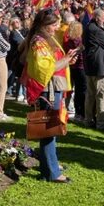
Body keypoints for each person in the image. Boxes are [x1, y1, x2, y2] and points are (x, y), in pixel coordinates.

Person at [21, 9, 78, 183]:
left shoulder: (44, 39)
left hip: (52, 88)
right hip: (48, 90)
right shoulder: (39, 42)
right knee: (48, 130)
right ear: (44, 26)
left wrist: (67, 59)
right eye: (54, 25)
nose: (57, 28)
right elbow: (47, 68)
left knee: (51, 129)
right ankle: (51, 172)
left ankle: (51, 165)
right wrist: (67, 60)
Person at [83, 8, 104, 130]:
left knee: (90, 95)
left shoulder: (88, 27)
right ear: (97, 18)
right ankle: (101, 123)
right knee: (102, 96)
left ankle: (88, 120)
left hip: (91, 67)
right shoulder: (96, 30)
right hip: (99, 68)